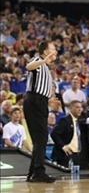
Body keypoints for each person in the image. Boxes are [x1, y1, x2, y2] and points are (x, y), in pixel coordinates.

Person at [23, 40, 58, 183]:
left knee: (40, 139)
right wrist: (44, 60)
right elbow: (28, 66)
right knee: (41, 138)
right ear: (45, 51)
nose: (55, 50)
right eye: (53, 48)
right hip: (34, 101)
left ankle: (33, 172)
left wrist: (49, 100)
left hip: (39, 101)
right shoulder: (38, 60)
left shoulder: (46, 68)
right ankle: (38, 171)